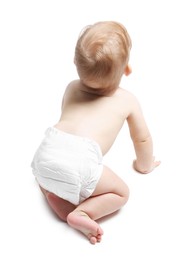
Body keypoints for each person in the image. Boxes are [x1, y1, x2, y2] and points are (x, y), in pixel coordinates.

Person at [31, 21, 160, 244]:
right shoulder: (127, 100)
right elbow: (142, 138)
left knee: (47, 173)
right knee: (121, 193)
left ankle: (52, 194)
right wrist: (144, 165)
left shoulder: (71, 87)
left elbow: (68, 120)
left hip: (46, 152)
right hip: (81, 162)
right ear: (127, 69)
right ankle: (83, 212)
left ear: (75, 63)